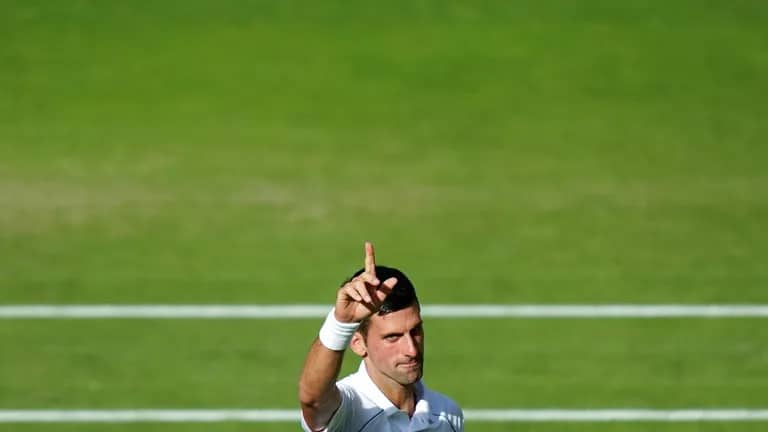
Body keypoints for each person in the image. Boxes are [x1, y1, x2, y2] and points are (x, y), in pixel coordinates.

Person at [299, 242, 464, 431]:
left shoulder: (447, 413)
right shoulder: (350, 410)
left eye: (416, 331)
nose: (411, 350)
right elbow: (313, 401)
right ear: (358, 344)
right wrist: (341, 324)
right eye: (392, 337)